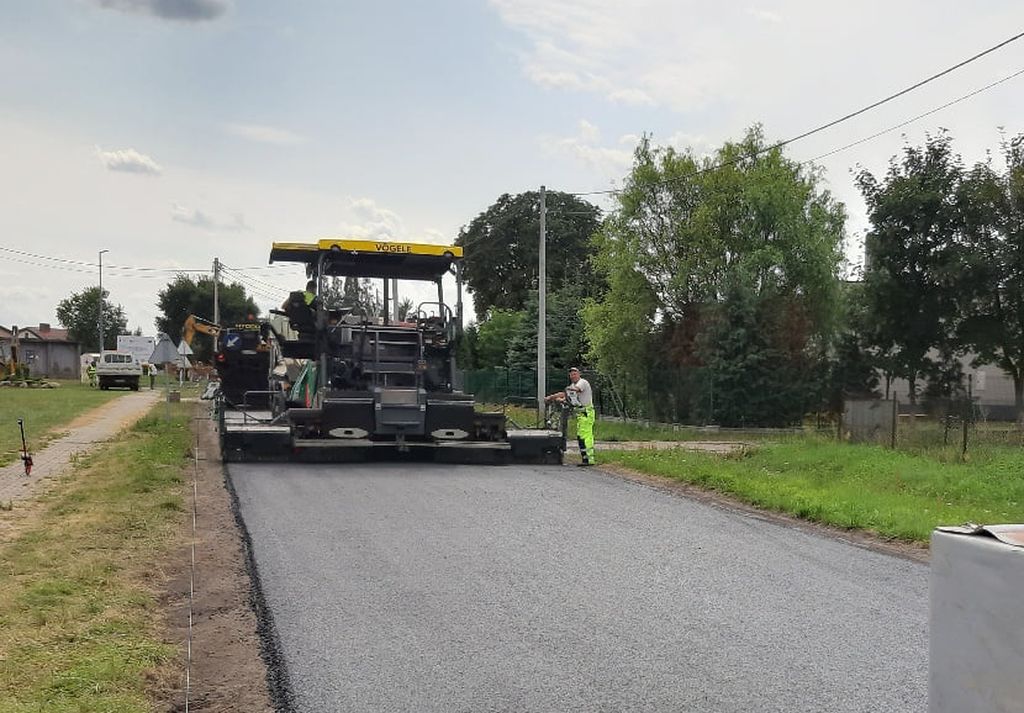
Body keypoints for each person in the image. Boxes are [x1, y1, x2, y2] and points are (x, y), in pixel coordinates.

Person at [546, 367, 596, 466]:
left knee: (585, 437)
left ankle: (589, 460)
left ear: (579, 374)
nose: (572, 376)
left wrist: (566, 393)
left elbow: (575, 390)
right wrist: (553, 397)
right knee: (580, 436)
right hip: (580, 414)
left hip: (586, 413)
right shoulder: (573, 385)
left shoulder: (582, 382)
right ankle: (585, 459)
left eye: (574, 374)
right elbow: (566, 395)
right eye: (571, 374)